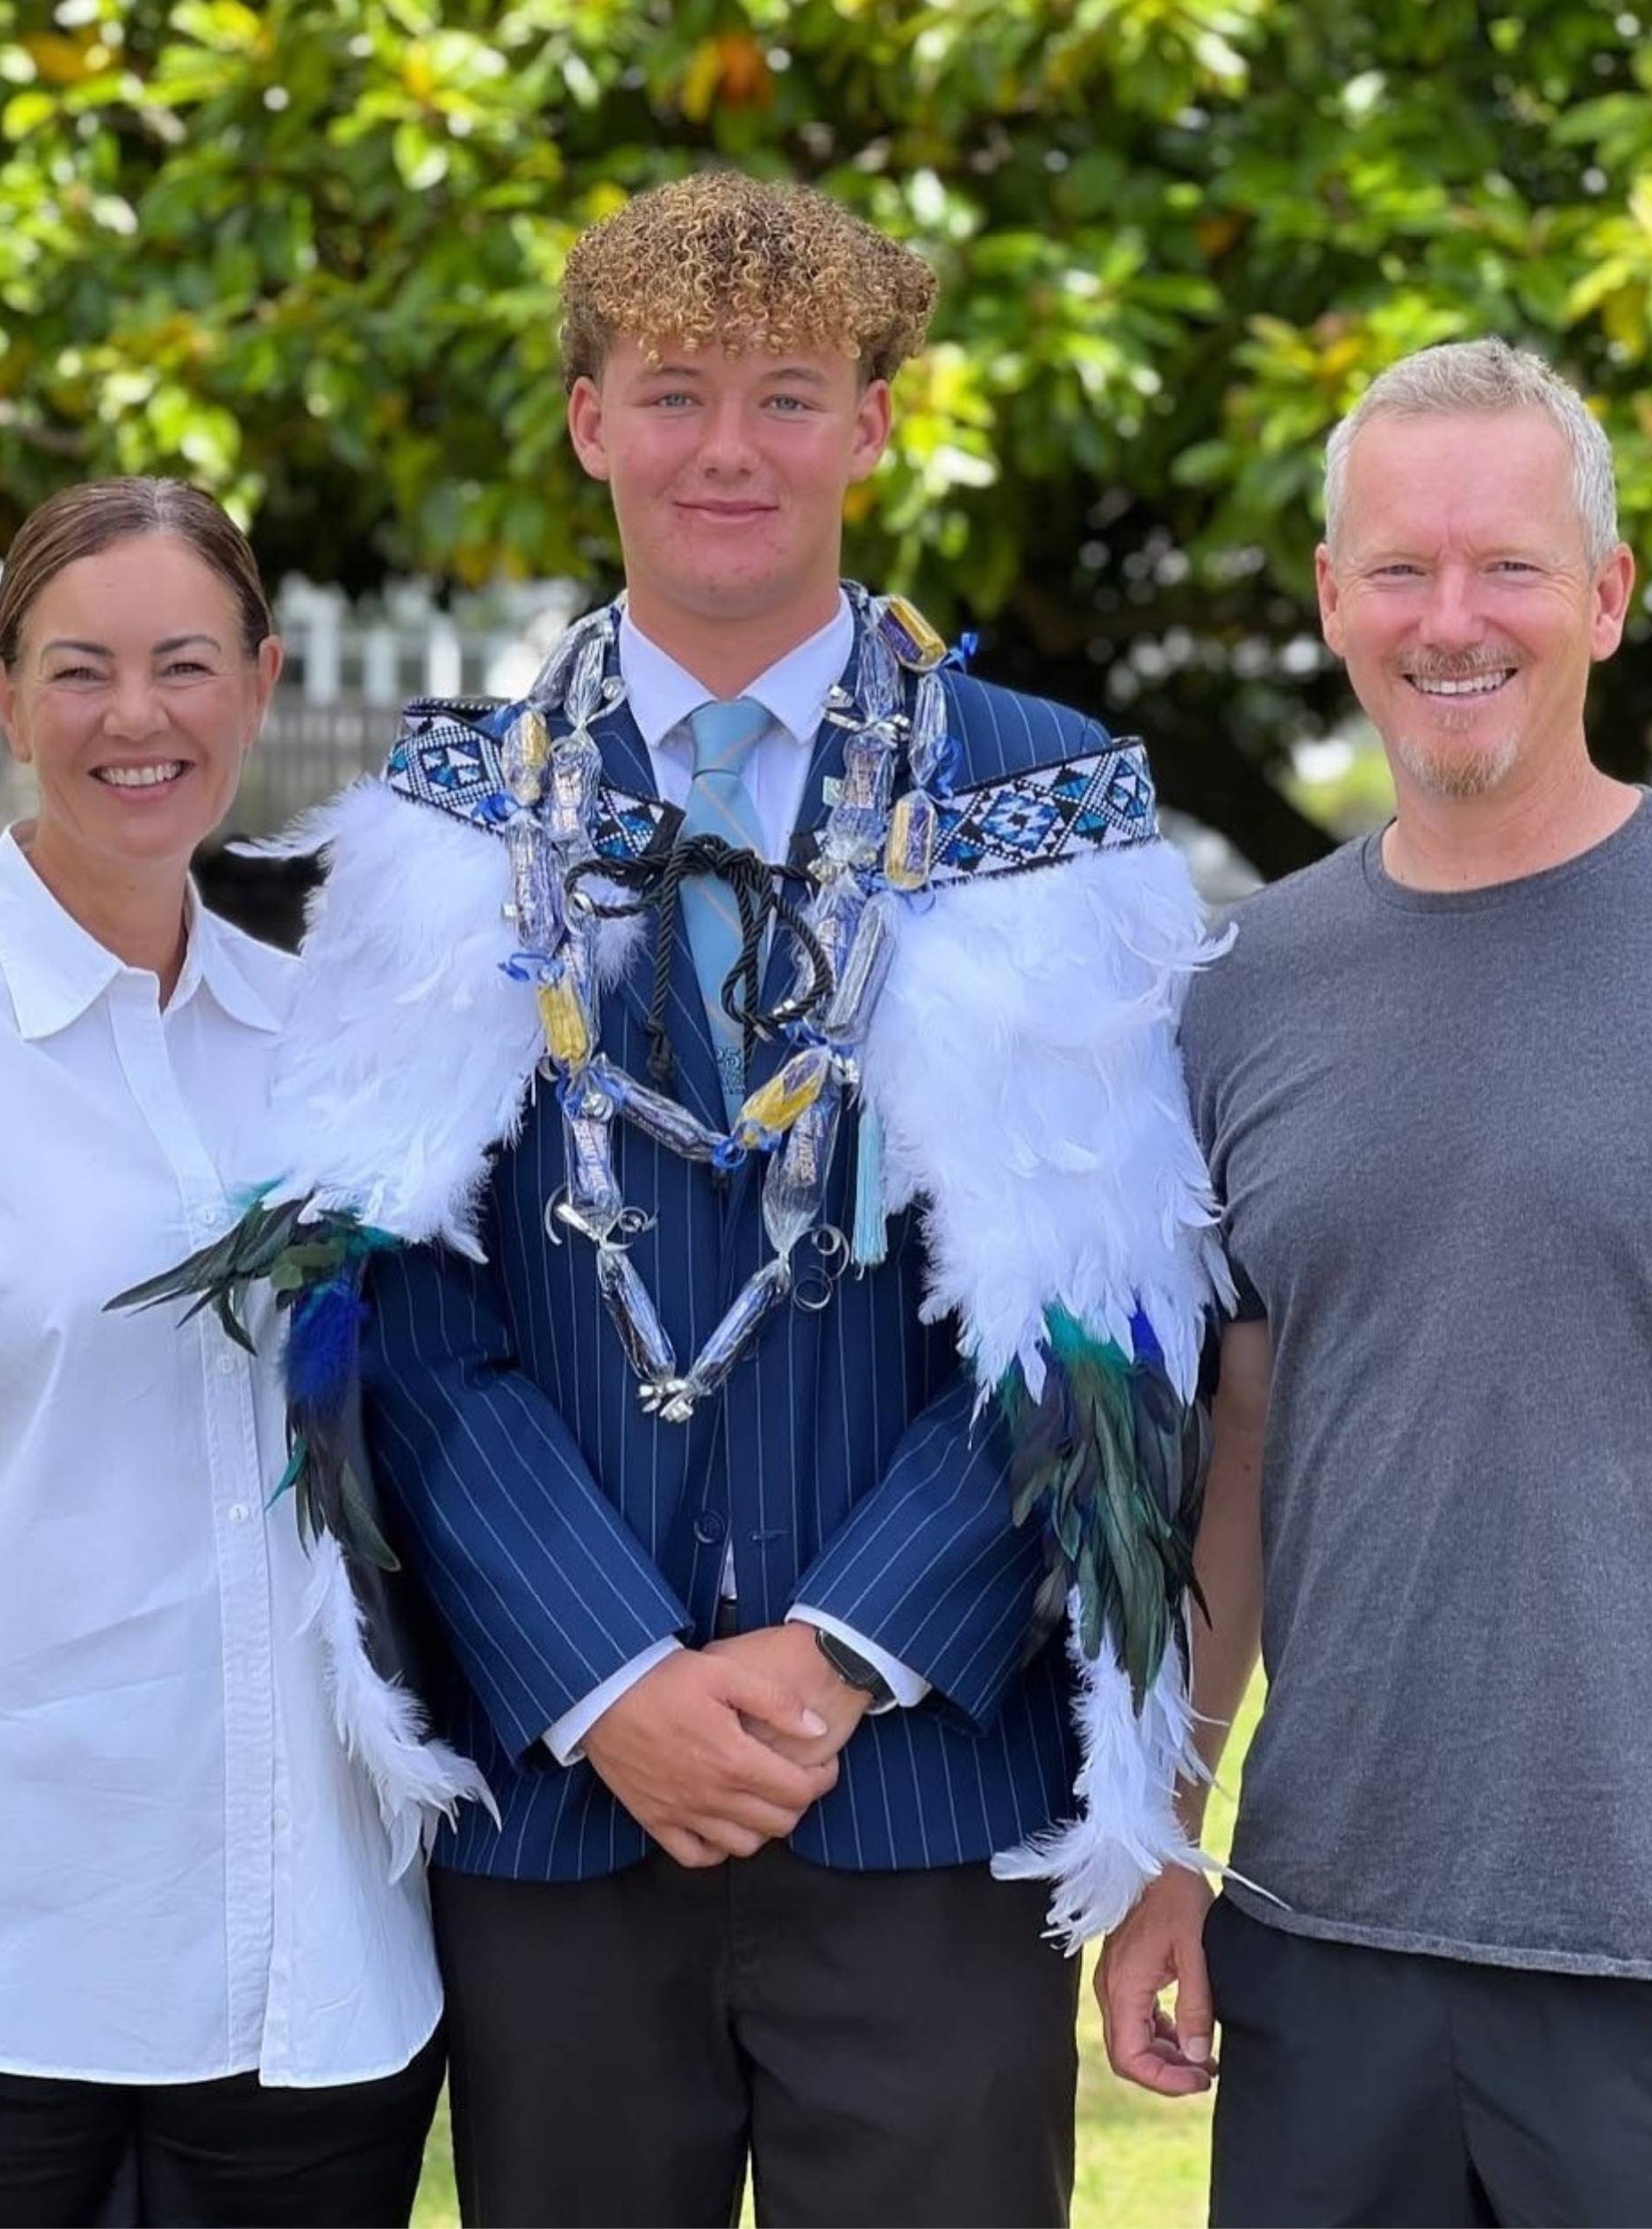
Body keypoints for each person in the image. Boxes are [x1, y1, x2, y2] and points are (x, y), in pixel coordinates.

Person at [183, 171, 1228, 2229]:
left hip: (927, 1793)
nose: (727, 449)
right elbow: (396, 1304)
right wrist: (611, 1677)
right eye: (674, 393)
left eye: (786, 395)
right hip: (565, 1802)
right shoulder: (449, 813)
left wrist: (841, 1654)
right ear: (591, 423)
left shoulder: (1041, 798)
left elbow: (1098, 1298)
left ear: (874, 422)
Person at [1097, 336, 1652, 2227]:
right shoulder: (1238, 991)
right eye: (1401, 568)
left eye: (1508, 565)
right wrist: (1164, 1835)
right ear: (1335, 598)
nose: (1452, 618)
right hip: (1324, 1945)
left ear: (1607, 594)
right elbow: (1240, 1451)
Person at [0, 479, 450, 2229]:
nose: (135, 717)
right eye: (79, 671)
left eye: (182, 663)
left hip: (321, 1964)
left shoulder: (327, 1044)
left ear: (259, 680)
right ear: (4, 698)